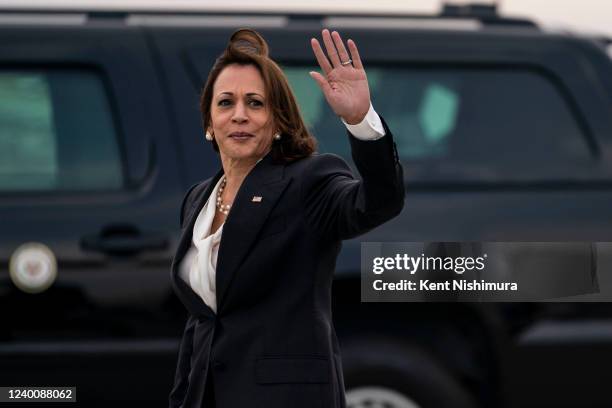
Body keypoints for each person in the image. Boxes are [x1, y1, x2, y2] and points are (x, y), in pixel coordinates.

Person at [169, 27, 404, 408]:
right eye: (226, 103)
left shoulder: (308, 181)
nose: (240, 115)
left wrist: (361, 121)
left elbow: (378, 202)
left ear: (277, 122)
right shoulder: (198, 199)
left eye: (256, 103)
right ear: (209, 123)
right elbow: (201, 324)